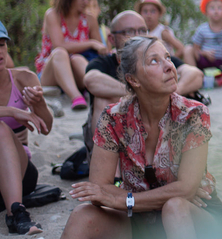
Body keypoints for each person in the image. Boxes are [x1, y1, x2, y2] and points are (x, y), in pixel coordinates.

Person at [32, 37, 222, 239]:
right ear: (133, 80)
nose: (169, 66)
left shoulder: (193, 114)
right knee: (81, 216)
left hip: (201, 227)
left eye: (167, 58)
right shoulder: (114, 118)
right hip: (145, 226)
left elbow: (185, 189)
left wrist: (126, 198)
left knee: (175, 206)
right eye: (154, 61)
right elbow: (99, 191)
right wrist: (126, 199)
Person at [84, 11, 204, 146]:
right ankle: (105, 153)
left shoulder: (160, 60)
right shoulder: (104, 62)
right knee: (103, 98)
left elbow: (195, 74)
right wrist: (140, 93)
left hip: (156, 134)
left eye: (142, 30)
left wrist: (172, 93)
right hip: (117, 137)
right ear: (112, 39)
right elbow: (91, 80)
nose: (138, 36)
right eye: (129, 31)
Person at [0, 17, 51, 235]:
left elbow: (45, 128)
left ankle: (16, 213)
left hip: (18, 174)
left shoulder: (24, 78)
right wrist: (11, 111)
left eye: (1, 44)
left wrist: (39, 105)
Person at [34, 0, 108, 112]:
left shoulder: (90, 20)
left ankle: (96, 90)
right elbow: (58, 44)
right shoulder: (53, 15)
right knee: (60, 53)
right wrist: (91, 42)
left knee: (77, 59)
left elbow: (101, 51)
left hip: (77, 71)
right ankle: (76, 98)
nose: (86, 2)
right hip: (52, 72)